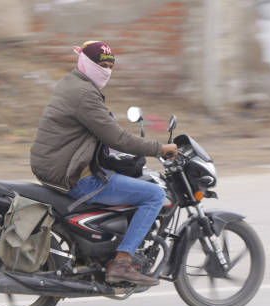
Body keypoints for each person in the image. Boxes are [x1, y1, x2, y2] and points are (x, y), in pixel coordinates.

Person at [30, 40, 178, 286]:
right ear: (86, 63)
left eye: (110, 65)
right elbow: (115, 137)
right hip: (72, 174)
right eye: (101, 64)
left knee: (123, 179)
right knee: (153, 194)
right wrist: (158, 148)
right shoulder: (84, 94)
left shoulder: (71, 83)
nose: (106, 70)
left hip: (57, 165)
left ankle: (102, 247)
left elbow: (98, 135)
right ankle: (122, 262)